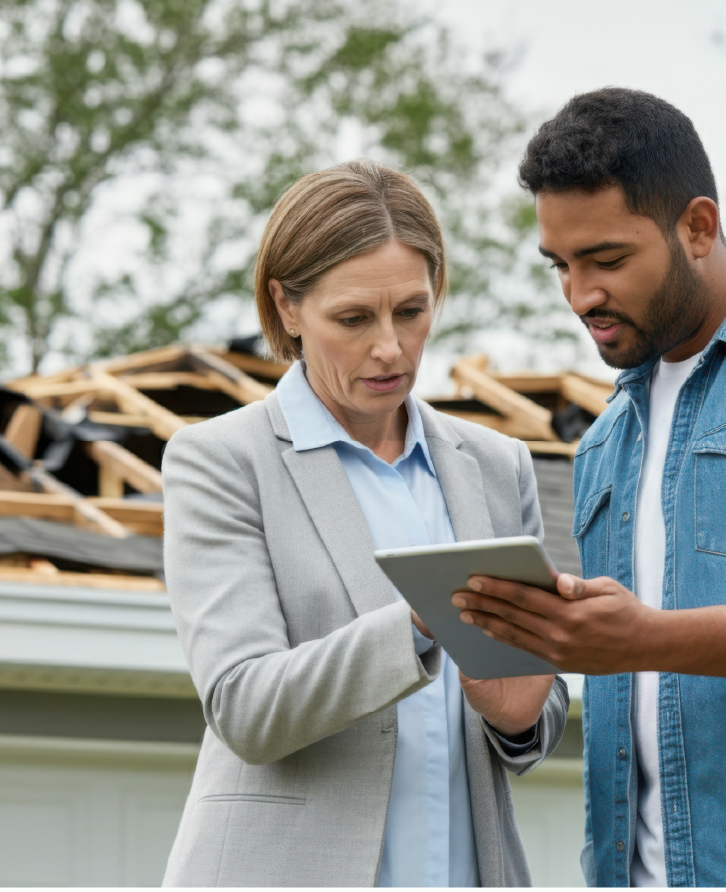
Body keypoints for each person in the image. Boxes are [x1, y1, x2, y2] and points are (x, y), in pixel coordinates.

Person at [160, 159, 568, 889]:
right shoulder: (221, 461)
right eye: (353, 319)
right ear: (286, 308)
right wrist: (419, 622)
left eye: (411, 311)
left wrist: (519, 716)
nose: (391, 347)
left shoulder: (499, 464)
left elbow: (531, 704)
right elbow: (244, 707)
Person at [451, 88, 726, 890]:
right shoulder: (601, 444)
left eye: (607, 260)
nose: (580, 296)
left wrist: (642, 638)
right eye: (561, 265)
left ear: (697, 227)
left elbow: (644, 641)